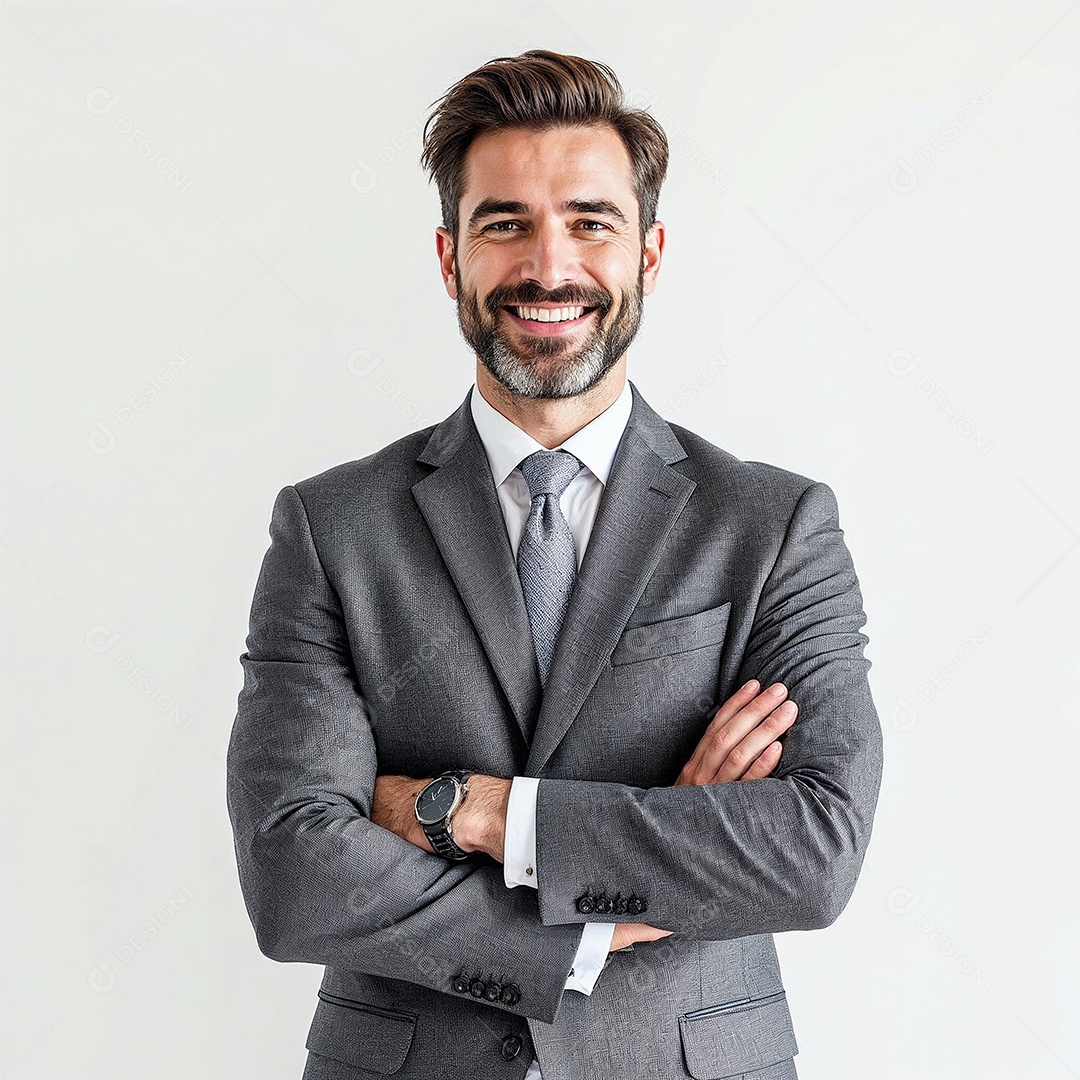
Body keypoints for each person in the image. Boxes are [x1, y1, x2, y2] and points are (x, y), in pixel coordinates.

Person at [226, 48, 883, 1080]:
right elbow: (293, 871)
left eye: (590, 222)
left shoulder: (774, 525)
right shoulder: (331, 527)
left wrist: (479, 814)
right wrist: (618, 889)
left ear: (649, 255)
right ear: (450, 260)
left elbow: (813, 849)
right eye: (505, 224)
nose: (549, 266)